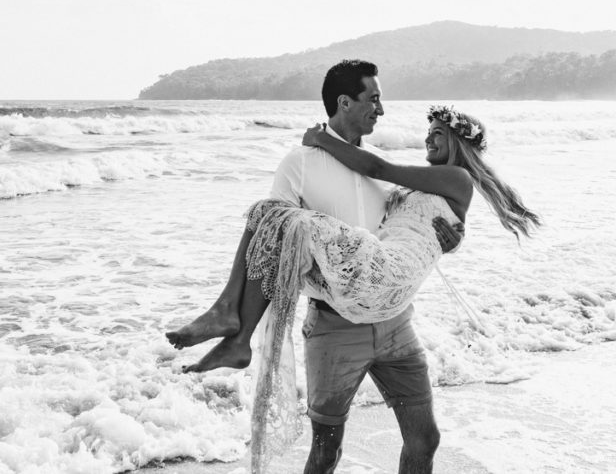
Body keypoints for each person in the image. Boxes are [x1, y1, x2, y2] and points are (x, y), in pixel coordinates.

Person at [166, 60, 540, 474]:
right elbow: (277, 250)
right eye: (373, 99)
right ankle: (231, 324)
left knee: (425, 438)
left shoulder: (388, 168)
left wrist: (451, 240)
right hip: (335, 324)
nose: (382, 110)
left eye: (437, 133)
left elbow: (410, 221)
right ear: (345, 102)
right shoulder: (300, 163)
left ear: (455, 142)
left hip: (394, 318)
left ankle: (232, 326)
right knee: (326, 450)